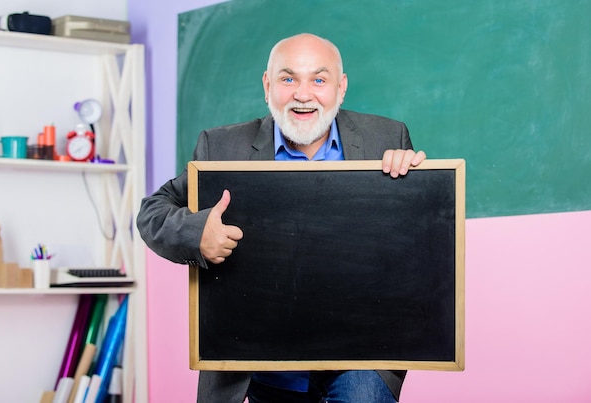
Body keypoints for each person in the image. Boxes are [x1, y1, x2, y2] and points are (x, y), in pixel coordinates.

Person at [137, 33, 426, 403]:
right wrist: (197, 233)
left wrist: (417, 187)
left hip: (358, 355)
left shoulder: (385, 137)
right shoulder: (223, 147)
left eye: (319, 80)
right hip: (259, 363)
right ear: (267, 85)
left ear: (341, 88)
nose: (303, 94)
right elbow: (153, 210)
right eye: (288, 79)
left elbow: (413, 242)